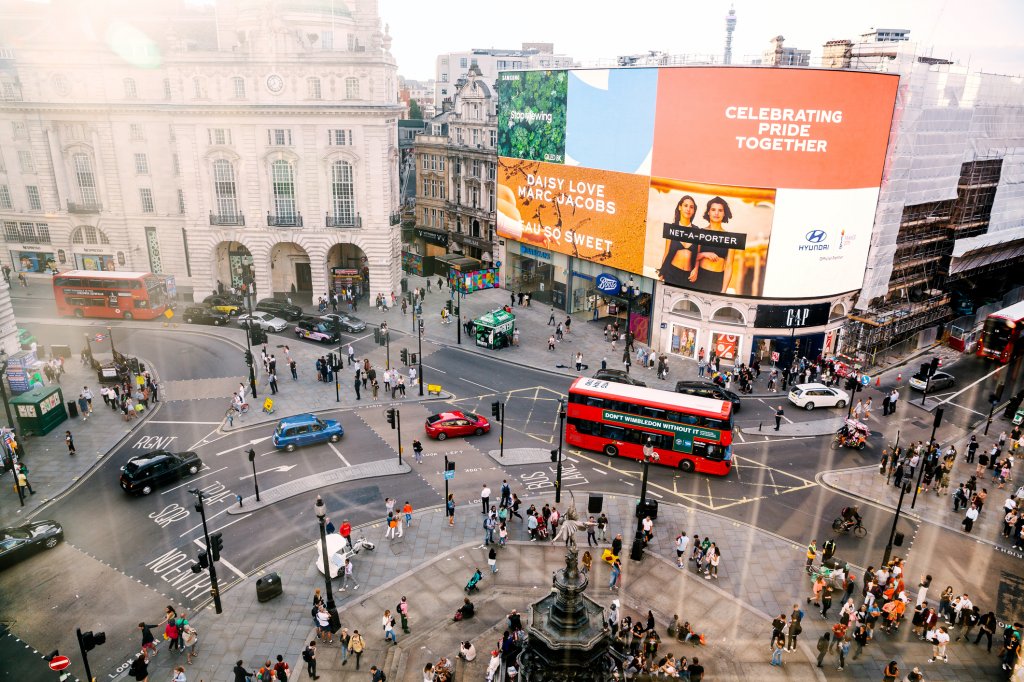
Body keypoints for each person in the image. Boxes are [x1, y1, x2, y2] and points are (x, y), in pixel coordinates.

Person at [688, 197, 740, 294]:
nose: (716, 213)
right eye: (713, 210)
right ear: (708, 212)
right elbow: (692, 257)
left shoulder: (730, 238)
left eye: (720, 210)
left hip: (717, 279)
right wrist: (704, 254)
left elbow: (729, 266)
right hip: (700, 277)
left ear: (724, 213)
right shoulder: (700, 233)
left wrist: (723, 290)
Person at [657, 195, 698, 287]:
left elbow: (698, 255)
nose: (688, 209)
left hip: (689, 277)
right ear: (680, 207)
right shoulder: (672, 228)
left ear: (694, 211)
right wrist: (662, 272)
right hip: (671, 273)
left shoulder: (697, 231)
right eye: (685, 205)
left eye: (691, 207)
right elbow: (666, 252)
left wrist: (696, 269)